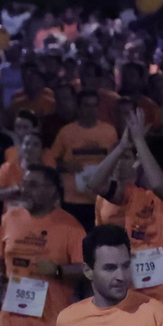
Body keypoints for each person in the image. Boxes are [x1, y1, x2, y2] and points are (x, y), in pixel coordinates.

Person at [86, 111, 163, 326]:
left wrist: (140, 140)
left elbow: (159, 184)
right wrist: (122, 147)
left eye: (140, 157)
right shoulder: (133, 195)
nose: (136, 163)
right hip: (137, 297)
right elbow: (95, 183)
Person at [0, 165, 86, 326]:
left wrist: (57, 270)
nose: (25, 189)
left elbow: (87, 269)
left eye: (33, 185)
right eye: (25, 183)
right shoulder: (10, 218)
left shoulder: (70, 227)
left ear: (52, 190)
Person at [48, 87, 121, 230]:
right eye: (87, 105)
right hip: (74, 199)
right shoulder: (66, 132)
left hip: (102, 196)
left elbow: (117, 159)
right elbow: (52, 161)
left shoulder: (109, 131)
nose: (91, 110)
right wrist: (66, 166)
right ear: (79, 107)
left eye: (94, 105)